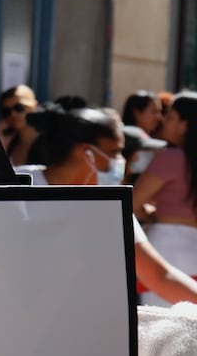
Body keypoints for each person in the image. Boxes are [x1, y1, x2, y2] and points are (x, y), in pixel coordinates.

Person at [19, 105, 197, 306]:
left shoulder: (111, 205)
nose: (120, 162)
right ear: (86, 152)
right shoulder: (14, 186)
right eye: (114, 152)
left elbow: (159, 276)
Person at [133, 93, 197, 306]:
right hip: (192, 249)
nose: (163, 121)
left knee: (162, 330)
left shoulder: (170, 157)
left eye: (170, 117)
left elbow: (131, 202)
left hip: (167, 250)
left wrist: (151, 213)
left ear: (185, 124)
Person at [0, 84, 40, 165]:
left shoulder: (50, 141)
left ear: (35, 106)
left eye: (19, 108)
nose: (13, 114)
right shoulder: (9, 143)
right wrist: (2, 145)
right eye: (7, 111)